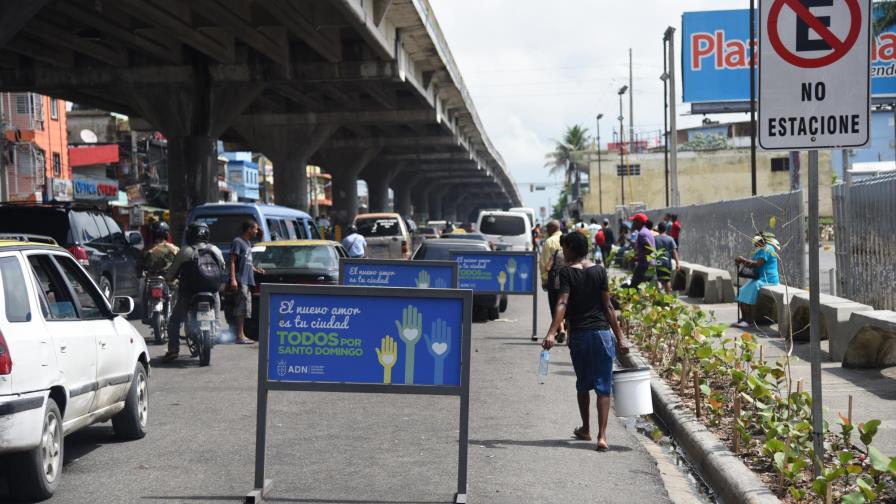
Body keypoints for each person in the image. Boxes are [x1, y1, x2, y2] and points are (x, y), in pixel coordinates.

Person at [542, 231, 628, 451]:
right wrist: (620, 338)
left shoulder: (566, 273)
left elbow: (562, 303)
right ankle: (602, 436)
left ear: (571, 248)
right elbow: (608, 307)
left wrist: (552, 332)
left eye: (565, 247)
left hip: (579, 334)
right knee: (603, 386)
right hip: (602, 334)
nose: (564, 251)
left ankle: (586, 428)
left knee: (583, 383)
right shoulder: (599, 271)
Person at [163, 222, 225, 362]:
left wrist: (169, 279)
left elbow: (171, 273)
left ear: (190, 234)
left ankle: (173, 350)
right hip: (211, 292)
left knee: (174, 322)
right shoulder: (215, 249)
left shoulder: (185, 251)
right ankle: (216, 329)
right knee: (216, 312)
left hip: (189, 294)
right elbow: (223, 267)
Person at [229, 220, 265, 345]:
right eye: (255, 229)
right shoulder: (237, 242)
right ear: (249, 229)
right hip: (241, 279)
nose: (256, 231)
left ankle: (241, 334)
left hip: (248, 280)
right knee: (241, 307)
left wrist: (255, 269)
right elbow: (232, 261)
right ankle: (239, 335)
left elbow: (247, 261)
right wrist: (233, 279)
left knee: (245, 308)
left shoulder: (248, 243)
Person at [734, 233, 780, 328]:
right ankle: (744, 319)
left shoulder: (768, 249)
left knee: (746, 293)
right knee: (742, 291)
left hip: (768, 279)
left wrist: (743, 260)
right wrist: (743, 261)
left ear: (762, 240)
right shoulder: (758, 250)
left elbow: (758, 264)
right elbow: (752, 263)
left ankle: (748, 320)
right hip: (759, 278)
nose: (754, 242)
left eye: (756, 241)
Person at [539, 220, 566, 343]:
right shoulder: (569, 239)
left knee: (556, 305)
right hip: (569, 281)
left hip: (554, 282)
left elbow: (545, 265)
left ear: (551, 229)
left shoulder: (549, 242)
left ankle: (560, 329)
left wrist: (544, 280)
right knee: (566, 305)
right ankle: (564, 330)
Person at [628, 213, 655, 289]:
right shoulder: (647, 231)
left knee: (633, 287)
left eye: (634, 221)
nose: (632, 223)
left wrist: (637, 258)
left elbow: (650, 249)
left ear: (639, 222)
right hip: (650, 264)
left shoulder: (642, 233)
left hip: (644, 265)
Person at [653, 222, 680, 294]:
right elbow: (674, 252)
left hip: (657, 262)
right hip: (667, 263)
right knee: (667, 280)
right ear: (666, 229)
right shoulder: (670, 239)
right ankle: (668, 297)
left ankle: (657, 297)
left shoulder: (655, 239)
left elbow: (651, 251)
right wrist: (677, 263)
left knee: (657, 279)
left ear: (658, 229)